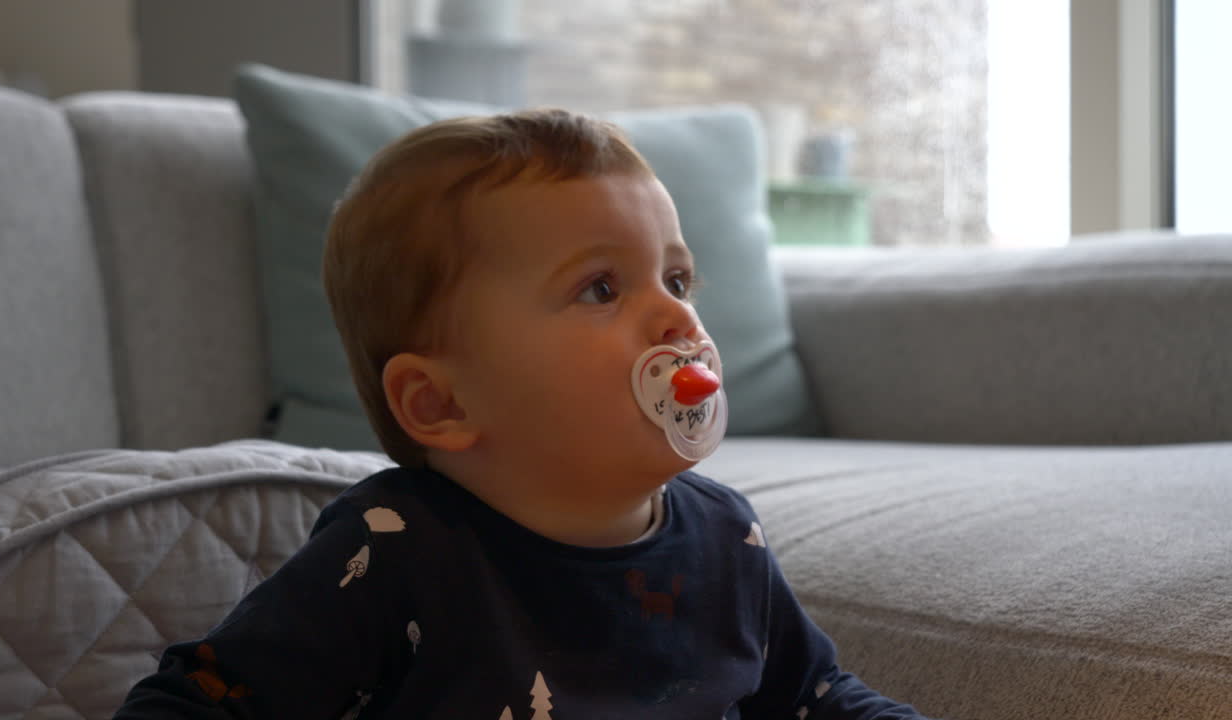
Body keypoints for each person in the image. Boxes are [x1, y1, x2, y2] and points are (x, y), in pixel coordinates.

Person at [115, 108, 929, 719]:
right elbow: (203, 700)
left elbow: (816, 697)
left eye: (677, 280)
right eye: (601, 288)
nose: (678, 319)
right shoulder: (398, 549)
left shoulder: (728, 537)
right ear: (442, 402)